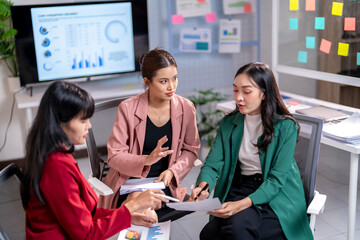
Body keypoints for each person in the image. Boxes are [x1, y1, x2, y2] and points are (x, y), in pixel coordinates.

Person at [20, 81, 167, 240]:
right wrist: (134, 205)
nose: (89, 126)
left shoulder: (56, 154)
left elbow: (85, 214)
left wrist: (129, 216)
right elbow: (85, 234)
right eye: (83, 121)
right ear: (60, 123)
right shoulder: (55, 166)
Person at [190, 62, 313, 240]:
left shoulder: (286, 126)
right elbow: (212, 164)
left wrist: (241, 205)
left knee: (237, 231)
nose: (239, 98)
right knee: (209, 234)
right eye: (235, 90)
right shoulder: (229, 123)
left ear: (264, 93)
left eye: (246, 92)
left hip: (278, 196)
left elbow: (276, 180)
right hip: (242, 187)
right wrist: (203, 187)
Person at [100, 48, 200, 221]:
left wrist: (172, 171)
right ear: (147, 81)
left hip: (163, 182)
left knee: (141, 208)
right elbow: (114, 155)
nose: (172, 86)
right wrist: (146, 160)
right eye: (163, 81)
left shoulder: (186, 108)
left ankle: (118, 219)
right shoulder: (128, 108)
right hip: (129, 181)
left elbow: (191, 150)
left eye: (175, 78)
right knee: (143, 208)